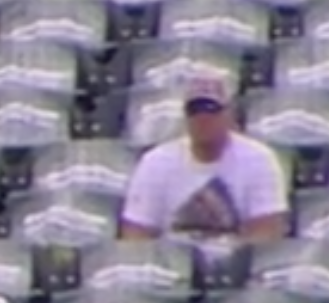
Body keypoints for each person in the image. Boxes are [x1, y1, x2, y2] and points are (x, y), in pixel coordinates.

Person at [120, 79, 289, 245]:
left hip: (235, 259)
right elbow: (136, 232)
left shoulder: (259, 159)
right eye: (194, 111)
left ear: (229, 115)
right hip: (174, 259)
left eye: (211, 109)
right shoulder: (156, 162)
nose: (202, 118)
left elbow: (267, 231)